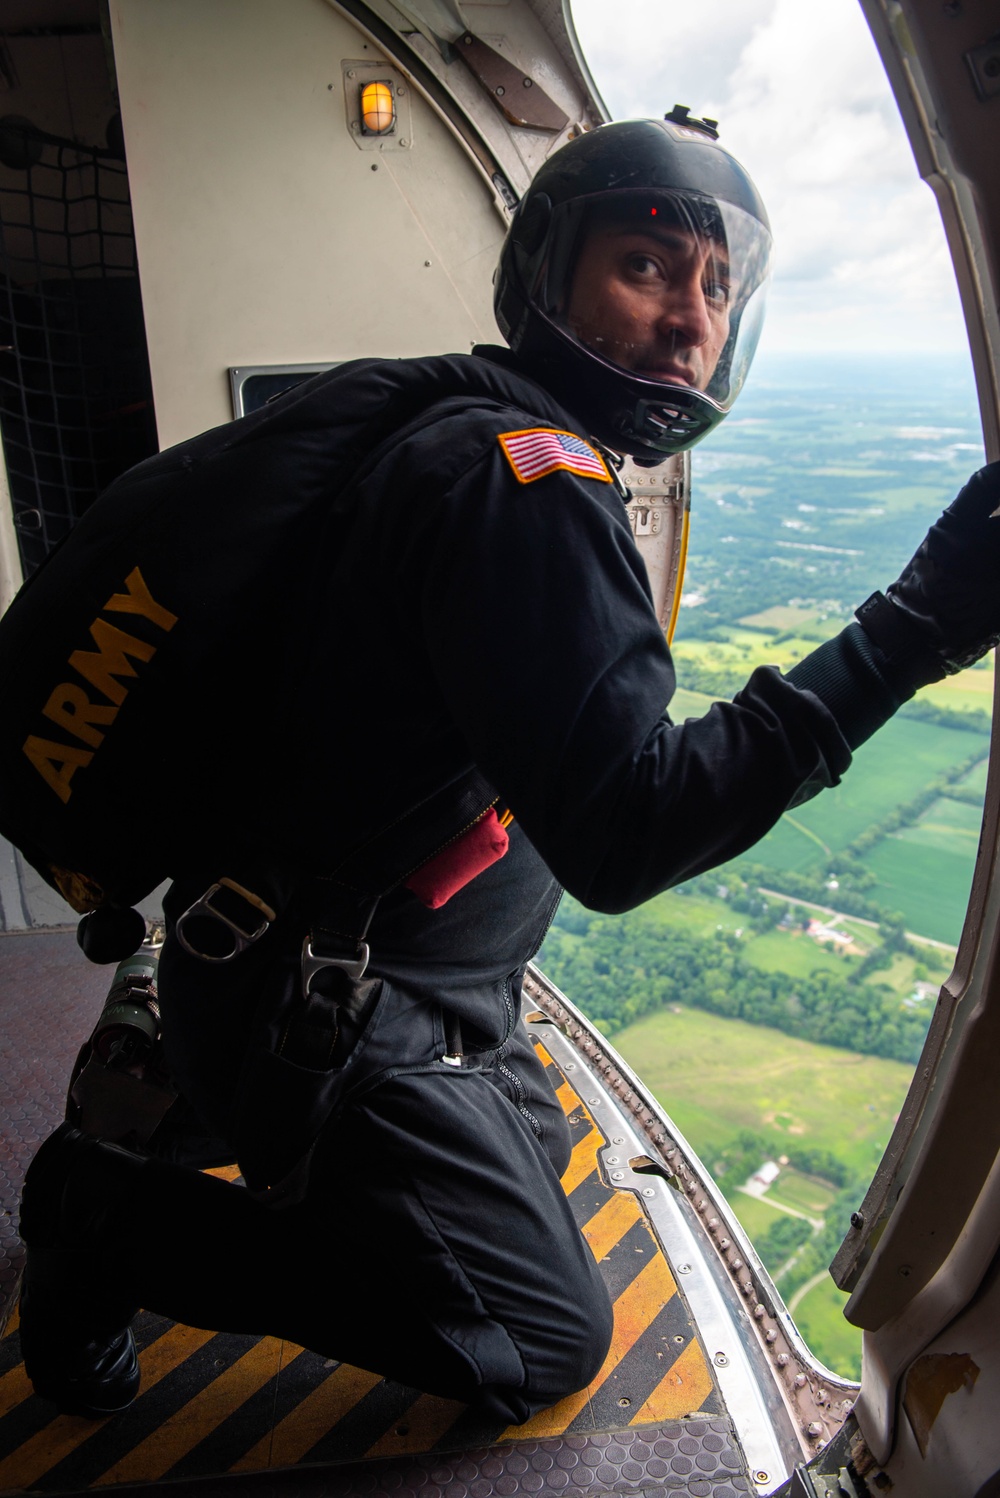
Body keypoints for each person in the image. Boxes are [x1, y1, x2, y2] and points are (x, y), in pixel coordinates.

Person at [9, 116, 1000, 1426]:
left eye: (715, 287)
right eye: (647, 265)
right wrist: (915, 626)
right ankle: (107, 1214)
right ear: (547, 273)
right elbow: (631, 833)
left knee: (514, 1159)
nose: (690, 317)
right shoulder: (523, 486)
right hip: (325, 1001)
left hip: (298, 956)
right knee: (538, 1337)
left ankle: (177, 1088)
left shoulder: (455, 424)